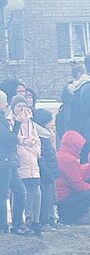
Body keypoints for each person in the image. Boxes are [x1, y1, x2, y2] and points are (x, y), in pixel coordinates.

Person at [55, 130, 90, 225]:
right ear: (74, 145)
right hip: (65, 198)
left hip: (60, 198)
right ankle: (68, 219)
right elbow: (77, 184)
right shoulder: (69, 159)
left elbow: (78, 173)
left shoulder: (63, 155)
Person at [13, 99, 42, 235]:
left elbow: (37, 141)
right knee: (21, 194)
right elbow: (15, 141)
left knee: (36, 193)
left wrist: (35, 151)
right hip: (21, 163)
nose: (22, 108)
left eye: (24, 105)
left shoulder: (31, 123)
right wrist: (25, 145)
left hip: (33, 163)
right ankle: (20, 222)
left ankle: (34, 221)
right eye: (19, 106)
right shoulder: (11, 122)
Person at [0, 90, 24, 234]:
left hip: (9, 161)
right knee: (3, 195)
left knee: (21, 192)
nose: (7, 104)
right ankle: (3, 227)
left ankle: (17, 224)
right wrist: (18, 124)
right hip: (4, 162)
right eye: (5, 101)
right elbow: (9, 139)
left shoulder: (3, 119)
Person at [33, 108, 59, 228]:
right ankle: (44, 221)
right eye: (50, 121)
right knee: (45, 197)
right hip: (45, 174)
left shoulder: (48, 136)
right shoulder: (41, 137)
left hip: (50, 172)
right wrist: (49, 172)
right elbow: (42, 158)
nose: (52, 124)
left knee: (51, 197)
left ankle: (50, 219)